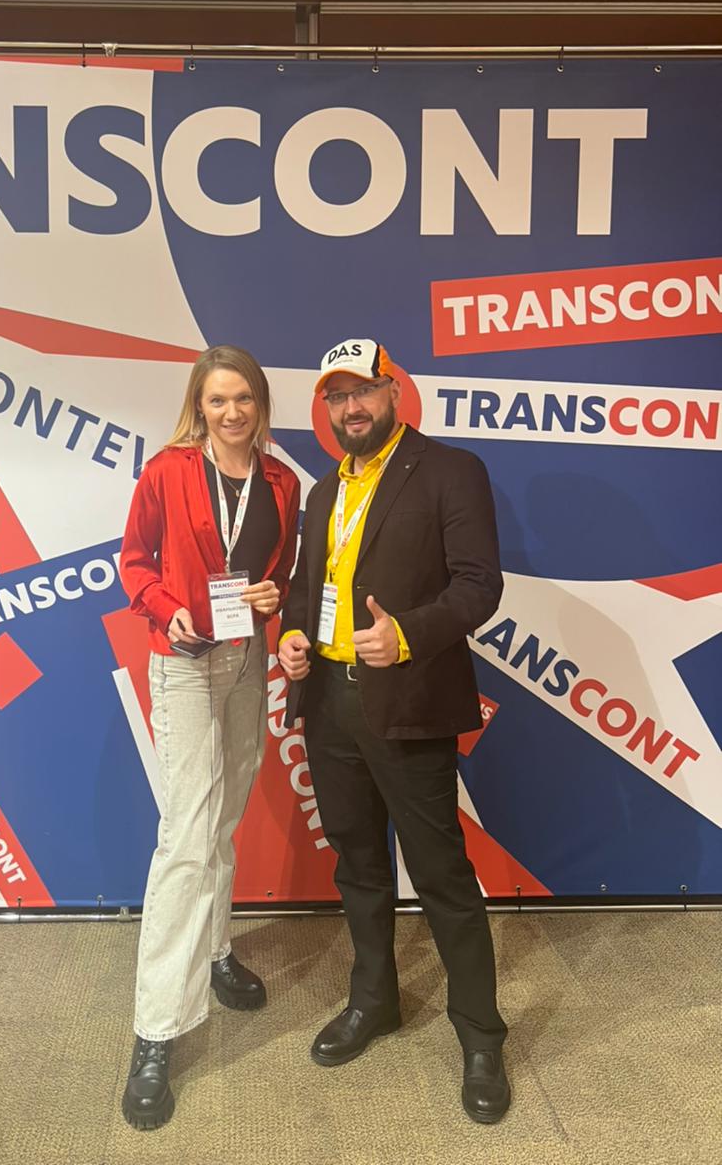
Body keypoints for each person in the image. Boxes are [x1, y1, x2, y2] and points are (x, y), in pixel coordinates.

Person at [278, 337, 511, 1125]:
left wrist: (407, 633)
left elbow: (480, 584)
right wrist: (296, 635)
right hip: (329, 705)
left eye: (362, 392)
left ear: (393, 392)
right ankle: (374, 1000)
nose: (350, 408)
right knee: (358, 866)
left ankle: (480, 1035)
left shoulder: (450, 470)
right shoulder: (324, 492)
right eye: (336, 396)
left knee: (442, 874)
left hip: (409, 701)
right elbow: (309, 587)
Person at [118, 344, 300, 1130]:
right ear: (200, 405)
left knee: (222, 821)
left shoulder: (283, 482)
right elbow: (133, 563)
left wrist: (272, 597)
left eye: (244, 399)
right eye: (218, 399)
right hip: (186, 664)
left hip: (249, 658)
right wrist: (167, 611)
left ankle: (218, 948)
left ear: (260, 405)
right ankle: (156, 1031)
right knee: (186, 838)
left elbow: (283, 572)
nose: (232, 412)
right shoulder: (167, 471)